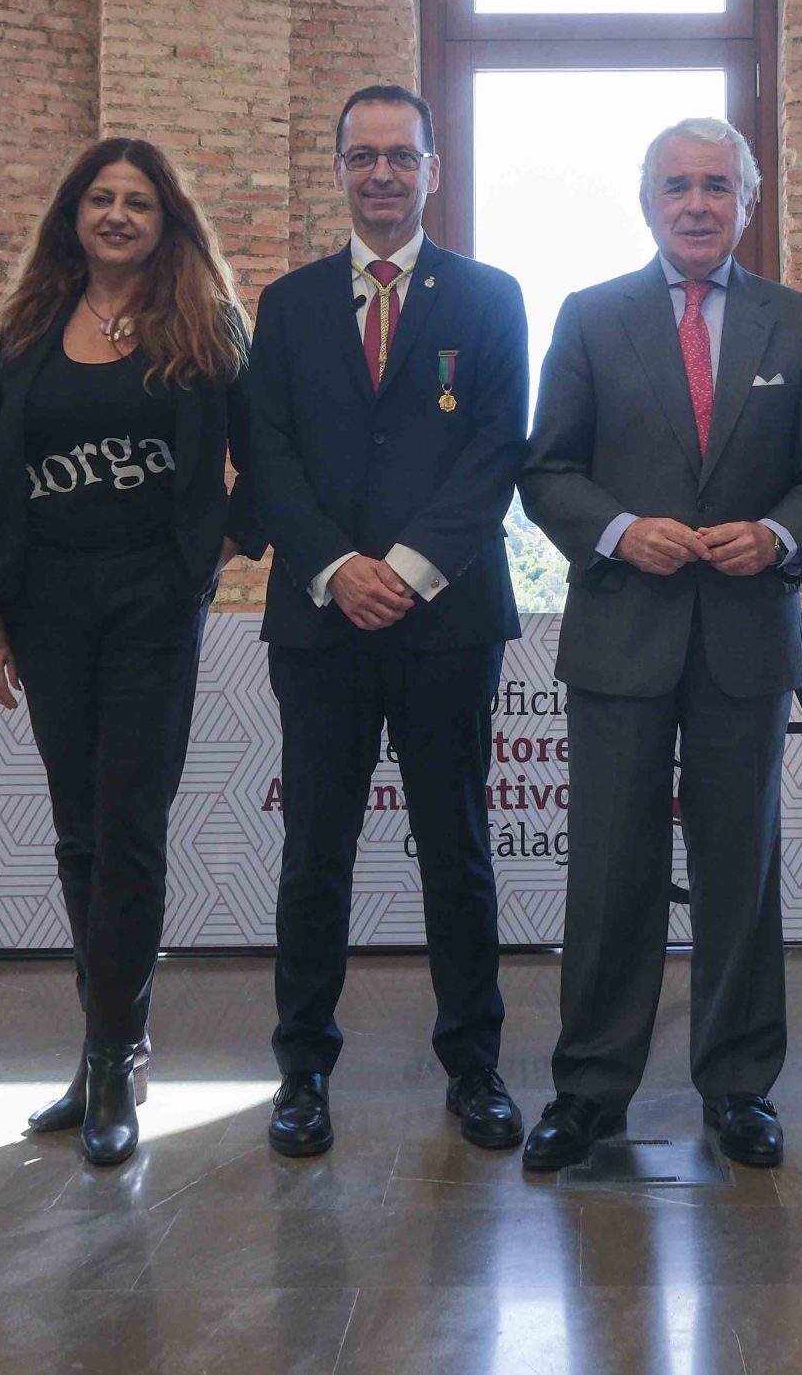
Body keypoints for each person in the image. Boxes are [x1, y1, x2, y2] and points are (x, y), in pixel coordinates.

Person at [518, 117, 802, 1171]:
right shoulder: (590, 316)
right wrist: (622, 530)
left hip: (745, 638)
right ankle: (589, 1089)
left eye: (717, 185)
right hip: (623, 632)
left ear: (748, 201)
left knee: (738, 871)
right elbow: (547, 471)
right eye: (678, 185)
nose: (697, 203)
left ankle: (740, 1085)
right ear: (648, 201)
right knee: (608, 871)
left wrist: (778, 536)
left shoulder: (796, 323)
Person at [241, 85, 529, 1158]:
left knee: (457, 849)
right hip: (320, 621)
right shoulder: (287, 303)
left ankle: (476, 1065)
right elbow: (268, 454)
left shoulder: (490, 297)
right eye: (361, 156)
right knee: (315, 854)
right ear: (337, 171)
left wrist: (403, 570)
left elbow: (496, 448)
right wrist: (336, 567)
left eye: (401, 156)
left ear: (432, 170)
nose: (381, 174)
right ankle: (303, 1070)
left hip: (446, 620)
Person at [0, 136, 264, 1166]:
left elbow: (264, 465)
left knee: (129, 823)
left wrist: (205, 554)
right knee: (78, 831)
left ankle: (114, 1061)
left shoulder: (206, 325)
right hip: (48, 605)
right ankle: (101, 1043)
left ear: (166, 219)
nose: (118, 215)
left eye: (139, 201)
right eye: (100, 197)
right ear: (73, 213)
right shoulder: (25, 329)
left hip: (152, 607)